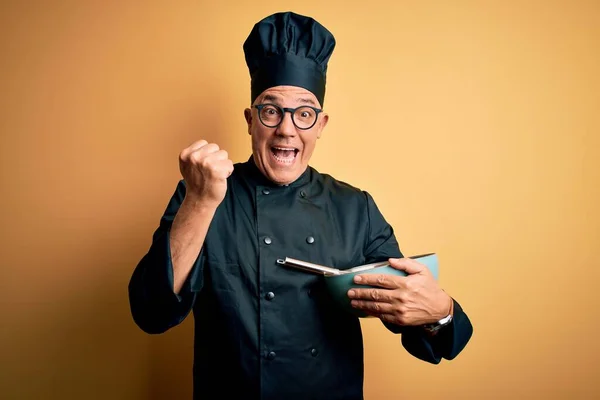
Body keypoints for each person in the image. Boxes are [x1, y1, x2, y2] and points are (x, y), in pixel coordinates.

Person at [128, 11, 473, 400]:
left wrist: (440, 311)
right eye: (271, 110)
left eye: (304, 113)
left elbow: (432, 335)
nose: (287, 129)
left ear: (321, 124)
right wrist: (201, 202)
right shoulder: (202, 192)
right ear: (250, 120)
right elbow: (151, 312)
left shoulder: (354, 208)